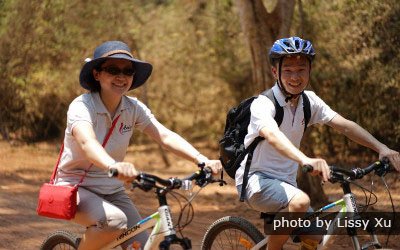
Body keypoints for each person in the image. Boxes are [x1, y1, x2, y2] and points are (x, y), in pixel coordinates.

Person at [235, 36, 400, 250]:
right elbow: (273, 135)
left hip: (287, 185)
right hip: (255, 182)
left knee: (317, 238)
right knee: (301, 202)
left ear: (310, 70)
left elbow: (345, 125)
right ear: (275, 72)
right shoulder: (263, 104)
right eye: (288, 70)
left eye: (301, 69)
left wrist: (382, 148)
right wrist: (306, 159)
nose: (295, 77)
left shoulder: (309, 101)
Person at [54, 40, 222, 250]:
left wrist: (202, 159)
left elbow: (164, 136)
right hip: (76, 186)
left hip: (112, 189)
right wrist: (113, 166)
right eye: (113, 69)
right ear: (97, 74)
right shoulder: (82, 106)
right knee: (115, 222)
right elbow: (88, 143)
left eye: (128, 71)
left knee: (144, 247)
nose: (121, 77)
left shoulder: (133, 108)